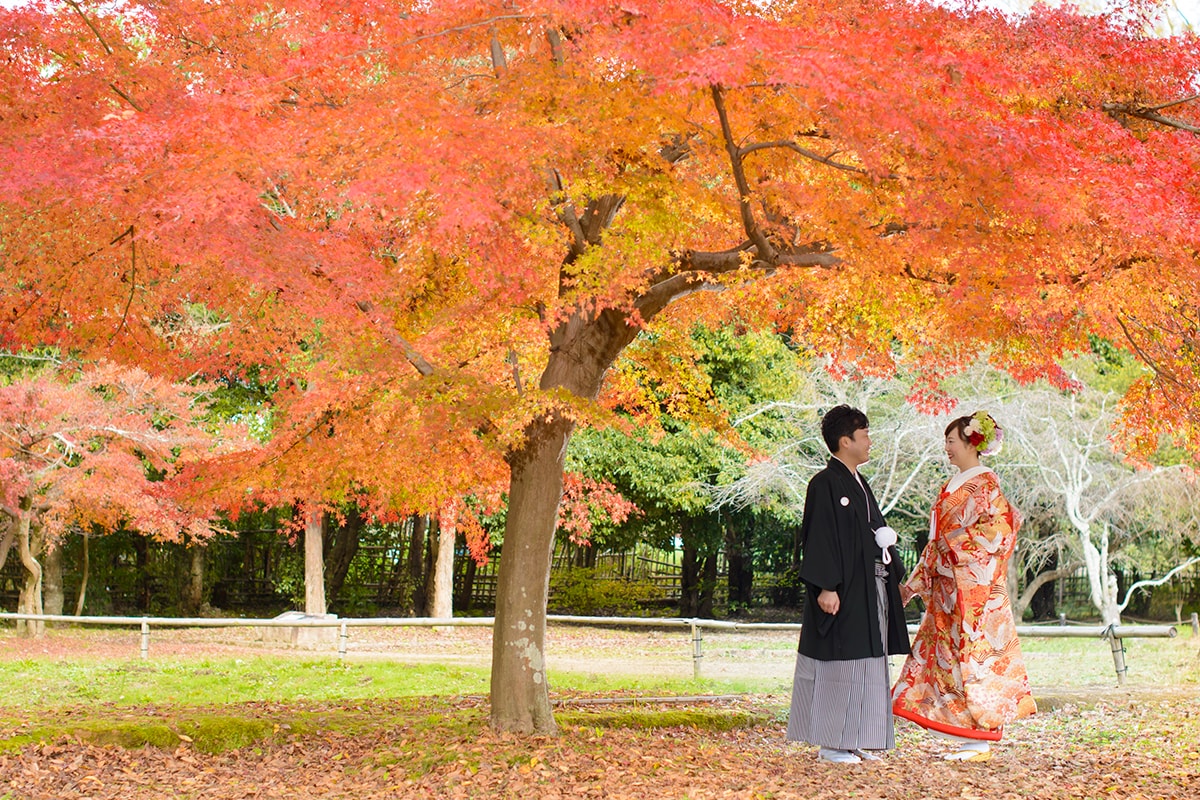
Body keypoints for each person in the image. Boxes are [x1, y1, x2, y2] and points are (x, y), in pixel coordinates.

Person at [892, 411, 1037, 761]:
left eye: (951, 441)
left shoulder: (986, 485)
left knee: (974, 662)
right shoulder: (954, 485)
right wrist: (913, 583)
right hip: (948, 590)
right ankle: (968, 737)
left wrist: (952, 548)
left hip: (975, 593)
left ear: (972, 443)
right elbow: (936, 540)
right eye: (946, 442)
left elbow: (997, 533)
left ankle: (981, 738)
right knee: (945, 661)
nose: (946, 448)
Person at [787, 405, 910, 764]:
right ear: (845, 441)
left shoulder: (858, 482)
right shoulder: (824, 484)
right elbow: (820, 536)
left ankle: (853, 737)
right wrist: (826, 586)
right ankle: (832, 742)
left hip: (868, 586)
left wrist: (893, 578)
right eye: (864, 434)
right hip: (843, 589)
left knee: (868, 661)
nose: (870, 441)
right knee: (841, 661)